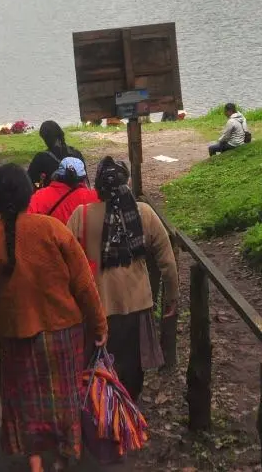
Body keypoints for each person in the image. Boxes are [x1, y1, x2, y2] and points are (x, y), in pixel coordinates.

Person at [0, 164, 108, 472]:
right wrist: (99, 323)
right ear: (29, 193)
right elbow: (83, 284)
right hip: (64, 332)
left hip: (15, 336)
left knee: (25, 400)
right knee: (64, 397)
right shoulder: (53, 230)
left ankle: (34, 460)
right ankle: (64, 457)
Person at [67, 157, 178, 402]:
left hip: (96, 307)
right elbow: (167, 261)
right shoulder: (144, 214)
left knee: (99, 368)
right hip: (136, 306)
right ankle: (129, 416)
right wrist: (172, 296)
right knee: (132, 370)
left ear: (97, 186)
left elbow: (64, 262)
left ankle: (105, 416)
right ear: (126, 183)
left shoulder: (81, 216)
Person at [27, 157, 99, 226]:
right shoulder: (96, 197)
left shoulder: (40, 197)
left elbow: (26, 221)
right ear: (83, 178)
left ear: (57, 175)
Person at [26, 120, 85, 190]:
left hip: (53, 196)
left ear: (45, 138)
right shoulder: (76, 153)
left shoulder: (41, 158)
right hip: (78, 194)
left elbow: (30, 181)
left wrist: (40, 186)